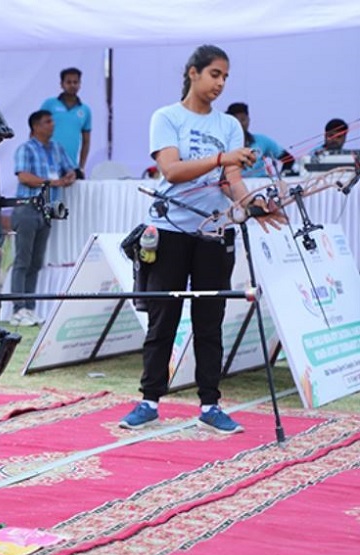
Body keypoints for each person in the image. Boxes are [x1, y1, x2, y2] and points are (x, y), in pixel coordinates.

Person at [119, 45, 284, 434]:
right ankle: (149, 401)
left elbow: (231, 183)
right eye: (214, 74)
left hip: (214, 232)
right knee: (164, 318)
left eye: (225, 76)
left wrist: (254, 204)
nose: (221, 83)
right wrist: (221, 159)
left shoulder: (228, 125)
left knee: (210, 321)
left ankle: (210, 404)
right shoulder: (167, 117)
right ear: (193, 73)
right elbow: (172, 170)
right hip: (170, 232)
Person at [11, 109, 76, 327]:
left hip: (46, 210)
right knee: (22, 260)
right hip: (27, 207)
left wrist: (69, 176)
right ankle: (17, 308)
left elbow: (70, 169)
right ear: (36, 126)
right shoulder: (25, 149)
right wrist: (52, 183)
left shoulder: (56, 148)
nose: (52, 125)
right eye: (47, 122)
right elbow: (24, 177)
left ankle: (29, 308)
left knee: (36, 262)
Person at [40, 67, 92, 179]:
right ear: (62, 84)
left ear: (80, 84)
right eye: (68, 82)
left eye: (75, 82)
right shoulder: (50, 104)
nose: (72, 85)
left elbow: (86, 141)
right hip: (49, 163)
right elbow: (36, 131)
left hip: (71, 166)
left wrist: (81, 166)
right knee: (49, 195)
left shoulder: (85, 110)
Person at [225, 102, 294, 177]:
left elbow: (289, 159)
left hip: (260, 185)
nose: (240, 124)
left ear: (248, 120)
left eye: (243, 119)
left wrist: (282, 177)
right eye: (236, 121)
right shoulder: (223, 143)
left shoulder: (262, 141)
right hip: (233, 186)